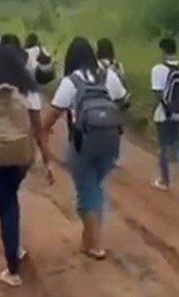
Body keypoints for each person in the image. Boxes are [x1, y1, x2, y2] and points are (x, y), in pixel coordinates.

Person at [0, 43, 55, 286]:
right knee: (11, 198)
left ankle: (12, 268)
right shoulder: (28, 92)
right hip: (21, 158)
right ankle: (16, 247)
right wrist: (48, 162)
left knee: (6, 205)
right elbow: (39, 131)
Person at [45, 37, 128, 260]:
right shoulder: (108, 75)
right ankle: (88, 240)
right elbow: (123, 100)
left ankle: (95, 245)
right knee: (94, 188)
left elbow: (53, 114)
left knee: (87, 192)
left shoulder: (71, 81)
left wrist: (43, 132)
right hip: (111, 141)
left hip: (83, 144)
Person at [150, 37, 179, 196]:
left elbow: (157, 94)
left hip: (164, 115)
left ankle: (164, 181)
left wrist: (167, 111)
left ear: (162, 50)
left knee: (163, 148)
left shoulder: (158, 69)